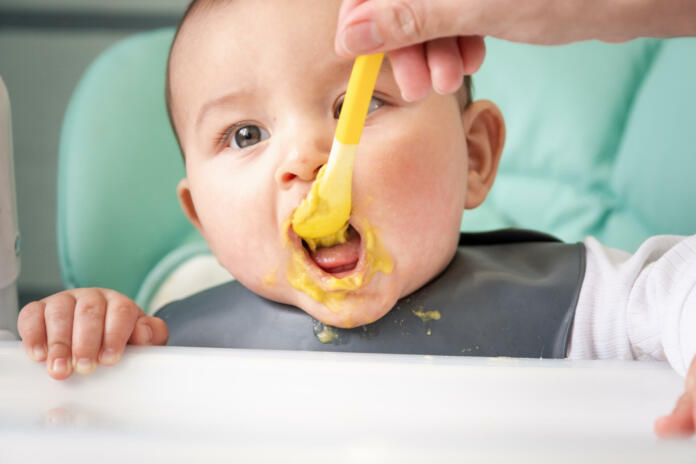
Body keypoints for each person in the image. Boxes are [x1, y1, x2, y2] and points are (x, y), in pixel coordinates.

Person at [16, 0, 695, 437]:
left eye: (356, 105)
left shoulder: (582, 303)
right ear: (203, 219)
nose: (304, 158)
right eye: (246, 135)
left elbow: (679, 284)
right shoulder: (173, 336)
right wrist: (93, 340)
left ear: (475, 155)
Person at [334, 0, 696, 101]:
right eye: (271, 135)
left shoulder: (632, 287)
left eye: (369, 104)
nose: (298, 160)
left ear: (476, 154)